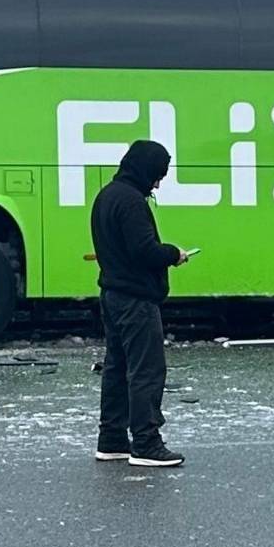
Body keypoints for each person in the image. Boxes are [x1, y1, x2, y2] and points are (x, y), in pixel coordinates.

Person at [91, 139, 189, 468]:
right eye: (157, 175)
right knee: (146, 370)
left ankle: (112, 440)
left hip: (112, 294)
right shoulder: (131, 201)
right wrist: (174, 254)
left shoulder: (107, 196)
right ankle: (146, 443)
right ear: (145, 169)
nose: (157, 184)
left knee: (117, 369)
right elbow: (143, 250)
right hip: (135, 299)